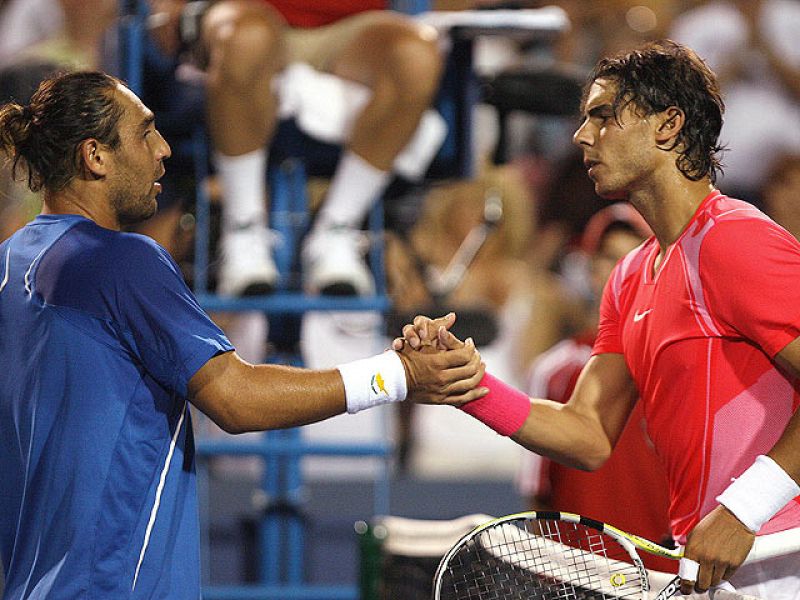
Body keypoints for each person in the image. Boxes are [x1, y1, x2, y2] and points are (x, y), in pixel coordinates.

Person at [0, 70, 485, 598]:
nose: (163, 149)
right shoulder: (122, 261)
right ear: (95, 156)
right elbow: (237, 400)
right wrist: (397, 375)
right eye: (144, 133)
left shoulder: (10, 264)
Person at [396, 40, 800, 598]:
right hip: (715, 562)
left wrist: (744, 508)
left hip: (781, 555)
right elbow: (587, 434)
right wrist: (471, 385)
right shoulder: (631, 275)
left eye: (602, 117)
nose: (582, 137)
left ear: (668, 125)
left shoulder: (736, 241)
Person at [189, 0, 444, 297]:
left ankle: (337, 231)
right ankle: (243, 231)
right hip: (251, 13)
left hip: (358, 29)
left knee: (416, 58)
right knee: (244, 39)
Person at [517, 203, 674, 573]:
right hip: (578, 581)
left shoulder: (686, 365)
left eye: (635, 256)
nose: (621, 268)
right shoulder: (552, 371)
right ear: (588, 271)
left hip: (669, 578)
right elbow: (539, 495)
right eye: (607, 257)